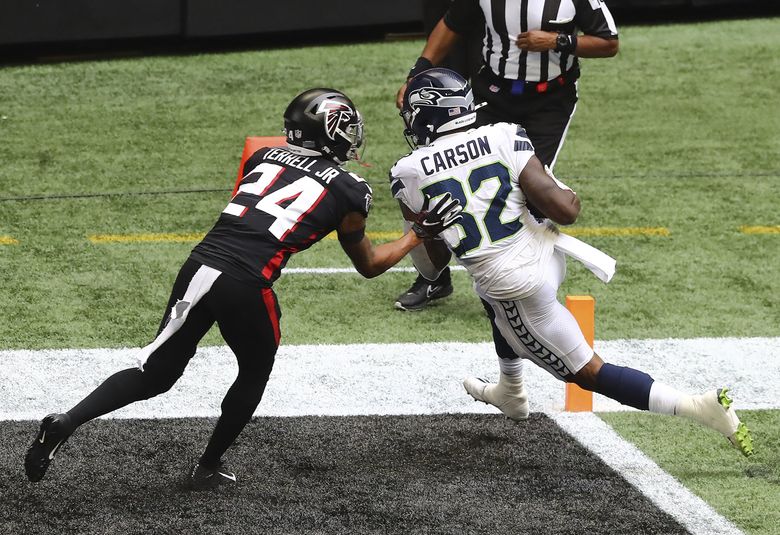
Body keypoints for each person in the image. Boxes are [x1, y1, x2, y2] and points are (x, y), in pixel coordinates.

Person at [24, 88, 463, 489]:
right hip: (246, 282)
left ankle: (67, 421)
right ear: (331, 134)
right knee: (254, 370)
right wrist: (415, 236)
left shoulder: (264, 157)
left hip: (199, 265)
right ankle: (208, 465)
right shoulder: (351, 190)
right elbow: (368, 265)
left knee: (156, 371)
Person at [390, 68, 753, 457]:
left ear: (428, 114)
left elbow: (433, 267)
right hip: (549, 253)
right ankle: (510, 390)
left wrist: (424, 233)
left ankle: (699, 407)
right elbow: (566, 209)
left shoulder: (408, 173)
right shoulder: (502, 134)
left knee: (586, 372)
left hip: (517, 284)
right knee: (490, 294)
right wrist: (541, 187)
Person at [393, 0, 619, 311]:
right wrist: (419, 71)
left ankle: (523, 279)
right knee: (441, 180)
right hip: (491, 93)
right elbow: (452, 22)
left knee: (531, 190)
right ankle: (433, 278)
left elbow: (609, 42)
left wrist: (558, 41)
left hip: (550, 99)